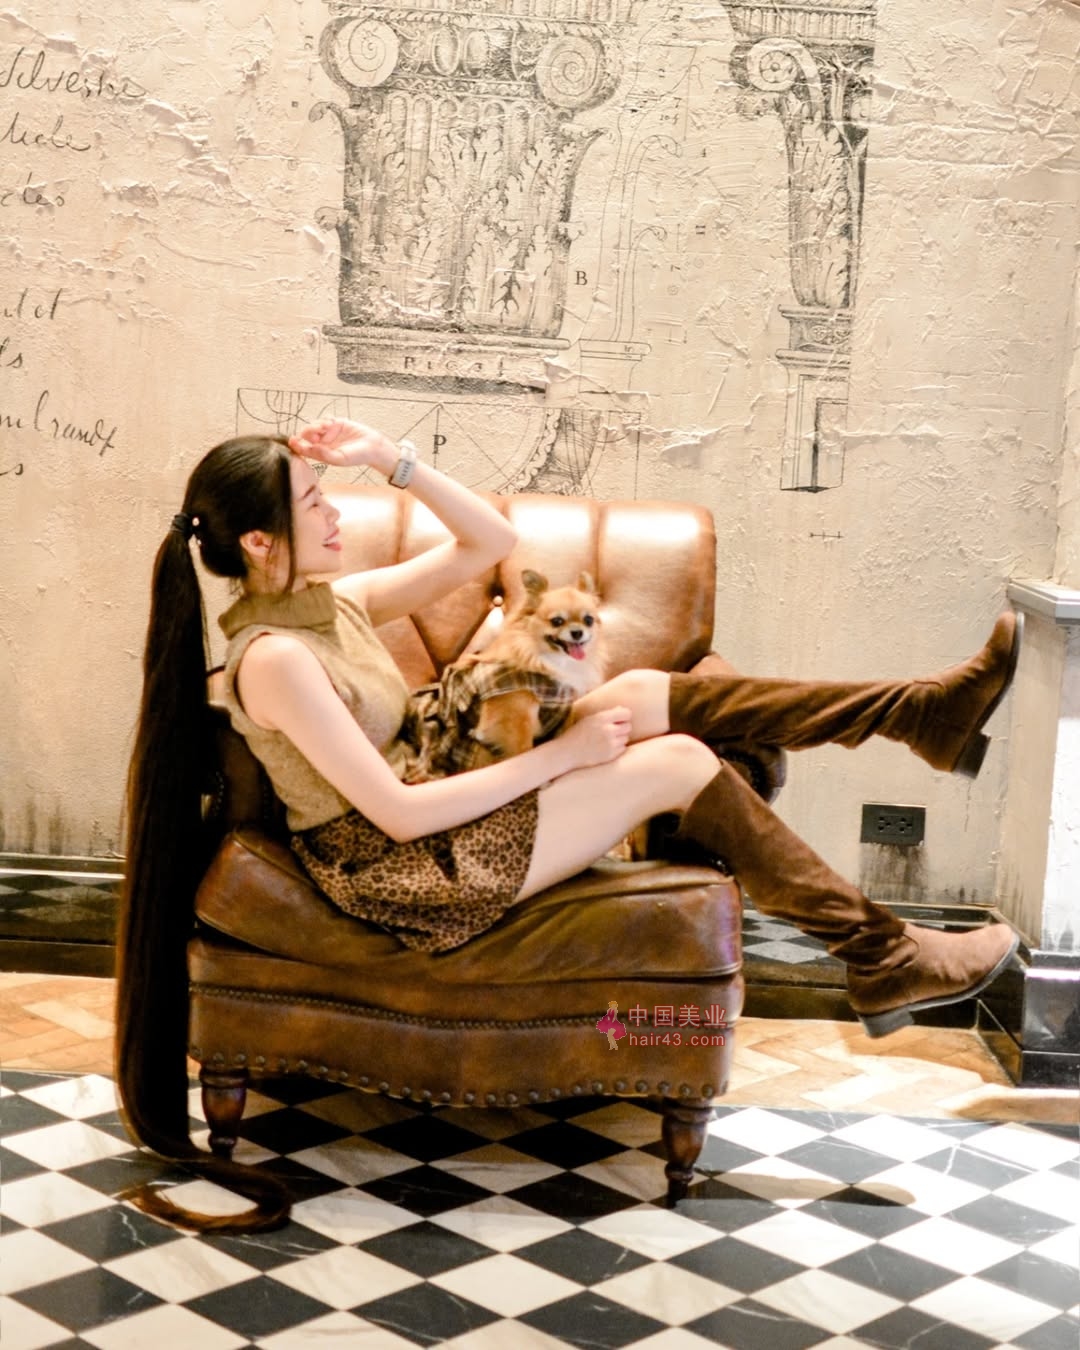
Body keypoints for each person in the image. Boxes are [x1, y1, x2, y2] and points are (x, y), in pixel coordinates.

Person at [117, 417, 1022, 1230]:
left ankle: (915, 712)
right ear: (260, 542)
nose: (334, 511)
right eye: (314, 501)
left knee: (640, 689)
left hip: (442, 798)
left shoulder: (335, 605)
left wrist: (392, 460)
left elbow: (491, 542)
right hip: (405, 866)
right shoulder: (274, 659)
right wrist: (562, 756)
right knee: (677, 761)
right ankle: (881, 953)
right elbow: (393, 814)